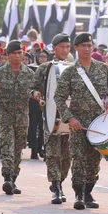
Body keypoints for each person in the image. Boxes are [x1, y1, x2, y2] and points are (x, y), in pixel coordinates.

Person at [54, 32, 108, 210]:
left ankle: (89, 191)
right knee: (79, 158)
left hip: (99, 123)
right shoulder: (70, 72)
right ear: (76, 48)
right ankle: (79, 194)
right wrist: (70, 118)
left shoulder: (103, 69)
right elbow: (59, 97)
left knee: (94, 160)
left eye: (90, 46)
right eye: (83, 46)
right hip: (78, 124)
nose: (87, 49)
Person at [0, 40, 35, 195]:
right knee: (7, 147)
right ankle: (7, 177)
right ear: (8, 55)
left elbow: (33, 90)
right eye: (14, 53)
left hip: (22, 117)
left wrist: (36, 95)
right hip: (5, 116)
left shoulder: (29, 73)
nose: (17, 56)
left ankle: (13, 178)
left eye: (20, 53)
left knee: (18, 149)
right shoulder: (0, 72)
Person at [30, 33, 72, 203]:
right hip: (51, 116)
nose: (64, 50)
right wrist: (36, 94)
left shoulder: (74, 68)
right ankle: (56, 187)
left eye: (67, 47)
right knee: (53, 154)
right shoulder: (45, 68)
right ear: (54, 49)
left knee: (67, 156)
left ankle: (59, 181)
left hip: (70, 117)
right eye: (61, 47)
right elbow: (32, 88)